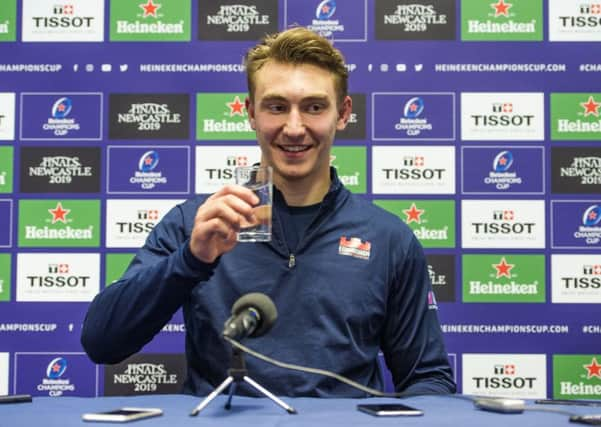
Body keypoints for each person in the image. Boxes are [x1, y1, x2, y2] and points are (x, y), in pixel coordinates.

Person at [81, 26, 456, 397]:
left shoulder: (388, 237)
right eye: (277, 107)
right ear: (250, 113)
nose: (294, 128)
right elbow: (102, 342)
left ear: (342, 114)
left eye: (314, 107)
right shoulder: (197, 225)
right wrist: (191, 260)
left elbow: (429, 379)